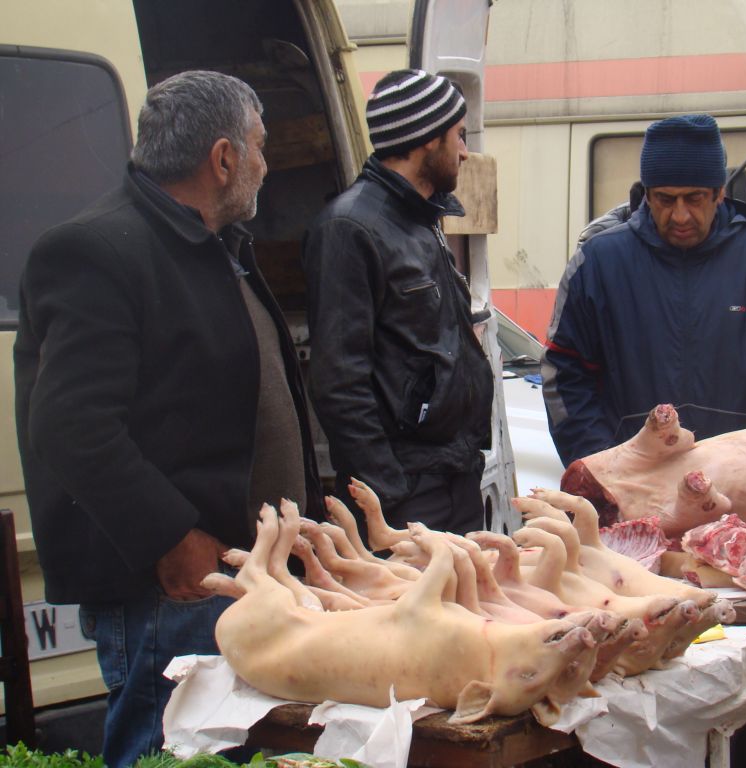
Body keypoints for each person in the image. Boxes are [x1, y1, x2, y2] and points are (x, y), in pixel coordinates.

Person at [13, 70, 325, 768]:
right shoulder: (99, 249)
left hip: (237, 580)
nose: (266, 164)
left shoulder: (209, 245)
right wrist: (171, 539)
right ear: (221, 159)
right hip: (170, 591)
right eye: (259, 146)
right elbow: (69, 425)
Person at [542, 113, 746, 468]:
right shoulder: (598, 263)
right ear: (647, 194)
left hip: (738, 481)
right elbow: (565, 372)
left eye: (694, 198)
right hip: (633, 482)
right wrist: (602, 464)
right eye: (665, 200)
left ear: (719, 193)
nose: (681, 216)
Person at [303, 69, 493, 538]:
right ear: (428, 140)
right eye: (459, 136)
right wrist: (389, 493)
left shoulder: (421, 218)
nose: (466, 151)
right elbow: (338, 382)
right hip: (409, 494)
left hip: (453, 475)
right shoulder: (350, 228)